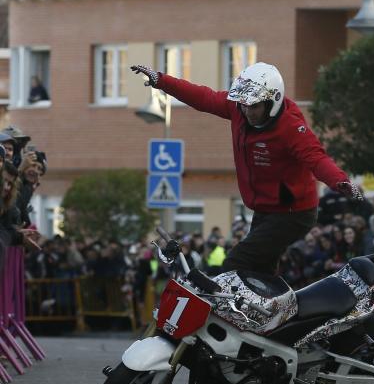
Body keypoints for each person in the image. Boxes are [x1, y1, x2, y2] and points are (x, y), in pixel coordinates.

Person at [131, 62, 362, 276]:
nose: (247, 112)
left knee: (236, 265)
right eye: (243, 105)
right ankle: (272, 317)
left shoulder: (291, 127)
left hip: (294, 213)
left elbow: (316, 158)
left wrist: (341, 182)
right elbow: (203, 97)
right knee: (260, 272)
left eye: (254, 107)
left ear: (273, 102)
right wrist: (161, 80)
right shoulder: (238, 109)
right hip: (264, 210)